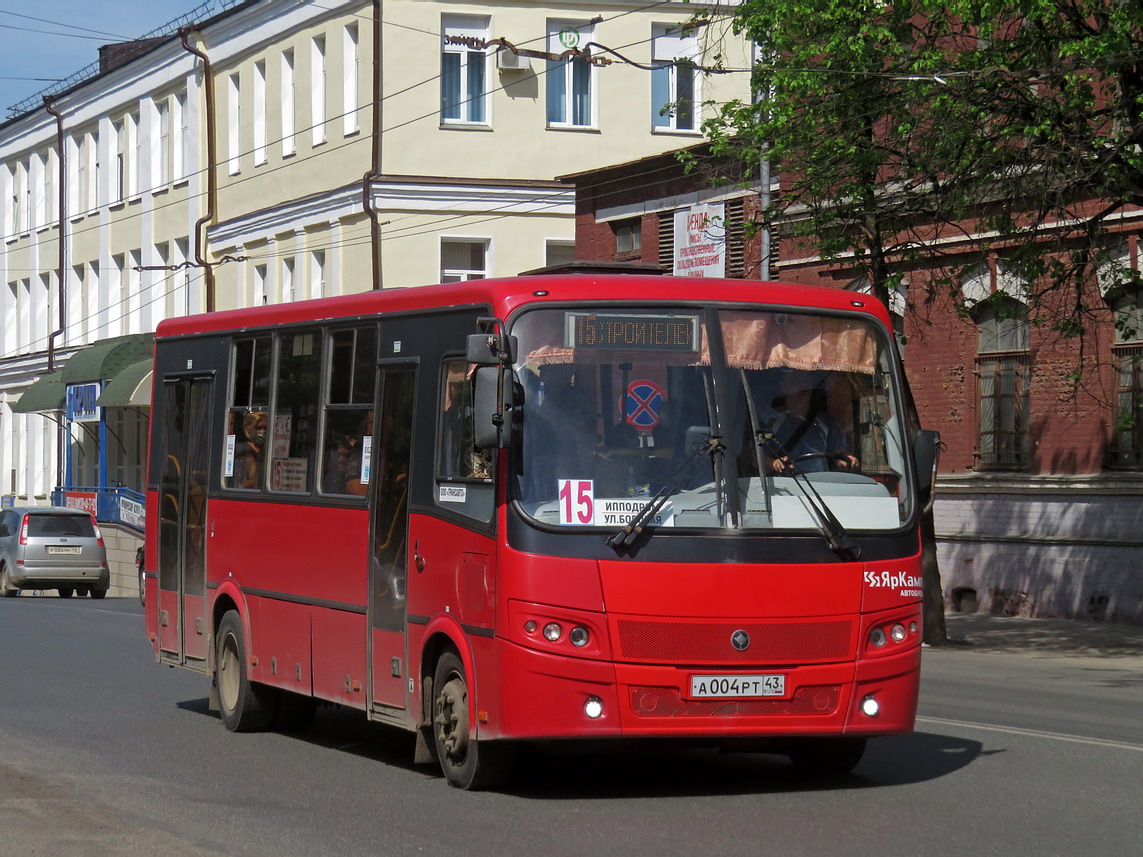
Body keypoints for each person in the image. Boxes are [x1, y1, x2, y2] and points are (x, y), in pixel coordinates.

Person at [766, 372, 859, 474]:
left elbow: (839, 453)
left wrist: (847, 460)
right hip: (785, 486)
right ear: (783, 386)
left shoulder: (826, 422)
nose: (803, 385)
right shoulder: (771, 422)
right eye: (796, 380)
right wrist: (773, 463)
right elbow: (755, 457)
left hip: (820, 486)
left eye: (806, 380)